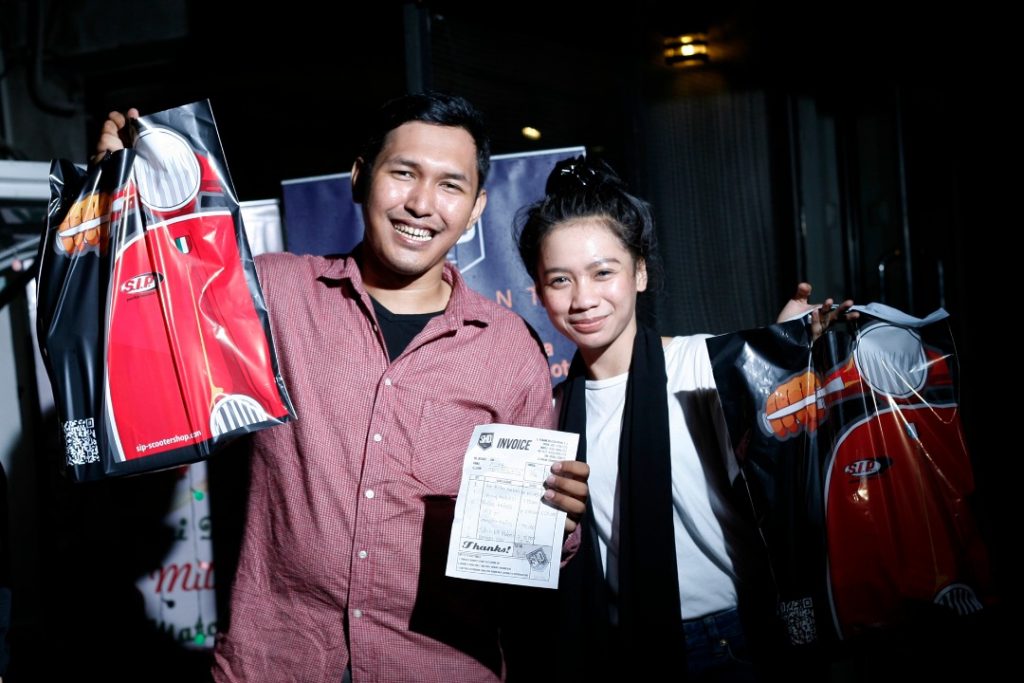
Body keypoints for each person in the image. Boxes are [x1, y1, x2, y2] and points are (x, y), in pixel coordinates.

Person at [93, 93, 589, 683]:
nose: (421, 203)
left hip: (439, 666)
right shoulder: (273, 294)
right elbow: (149, 330)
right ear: (360, 177)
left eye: (450, 185)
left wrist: (556, 525)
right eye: (403, 173)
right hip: (277, 663)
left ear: (477, 206)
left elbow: (534, 544)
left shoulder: (509, 349)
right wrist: (119, 203)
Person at [514, 156, 853, 681]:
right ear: (539, 292)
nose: (583, 299)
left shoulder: (704, 365)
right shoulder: (550, 409)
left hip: (734, 640)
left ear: (640, 272)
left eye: (603, 272)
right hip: (620, 648)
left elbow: (782, 464)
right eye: (560, 280)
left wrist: (778, 354)